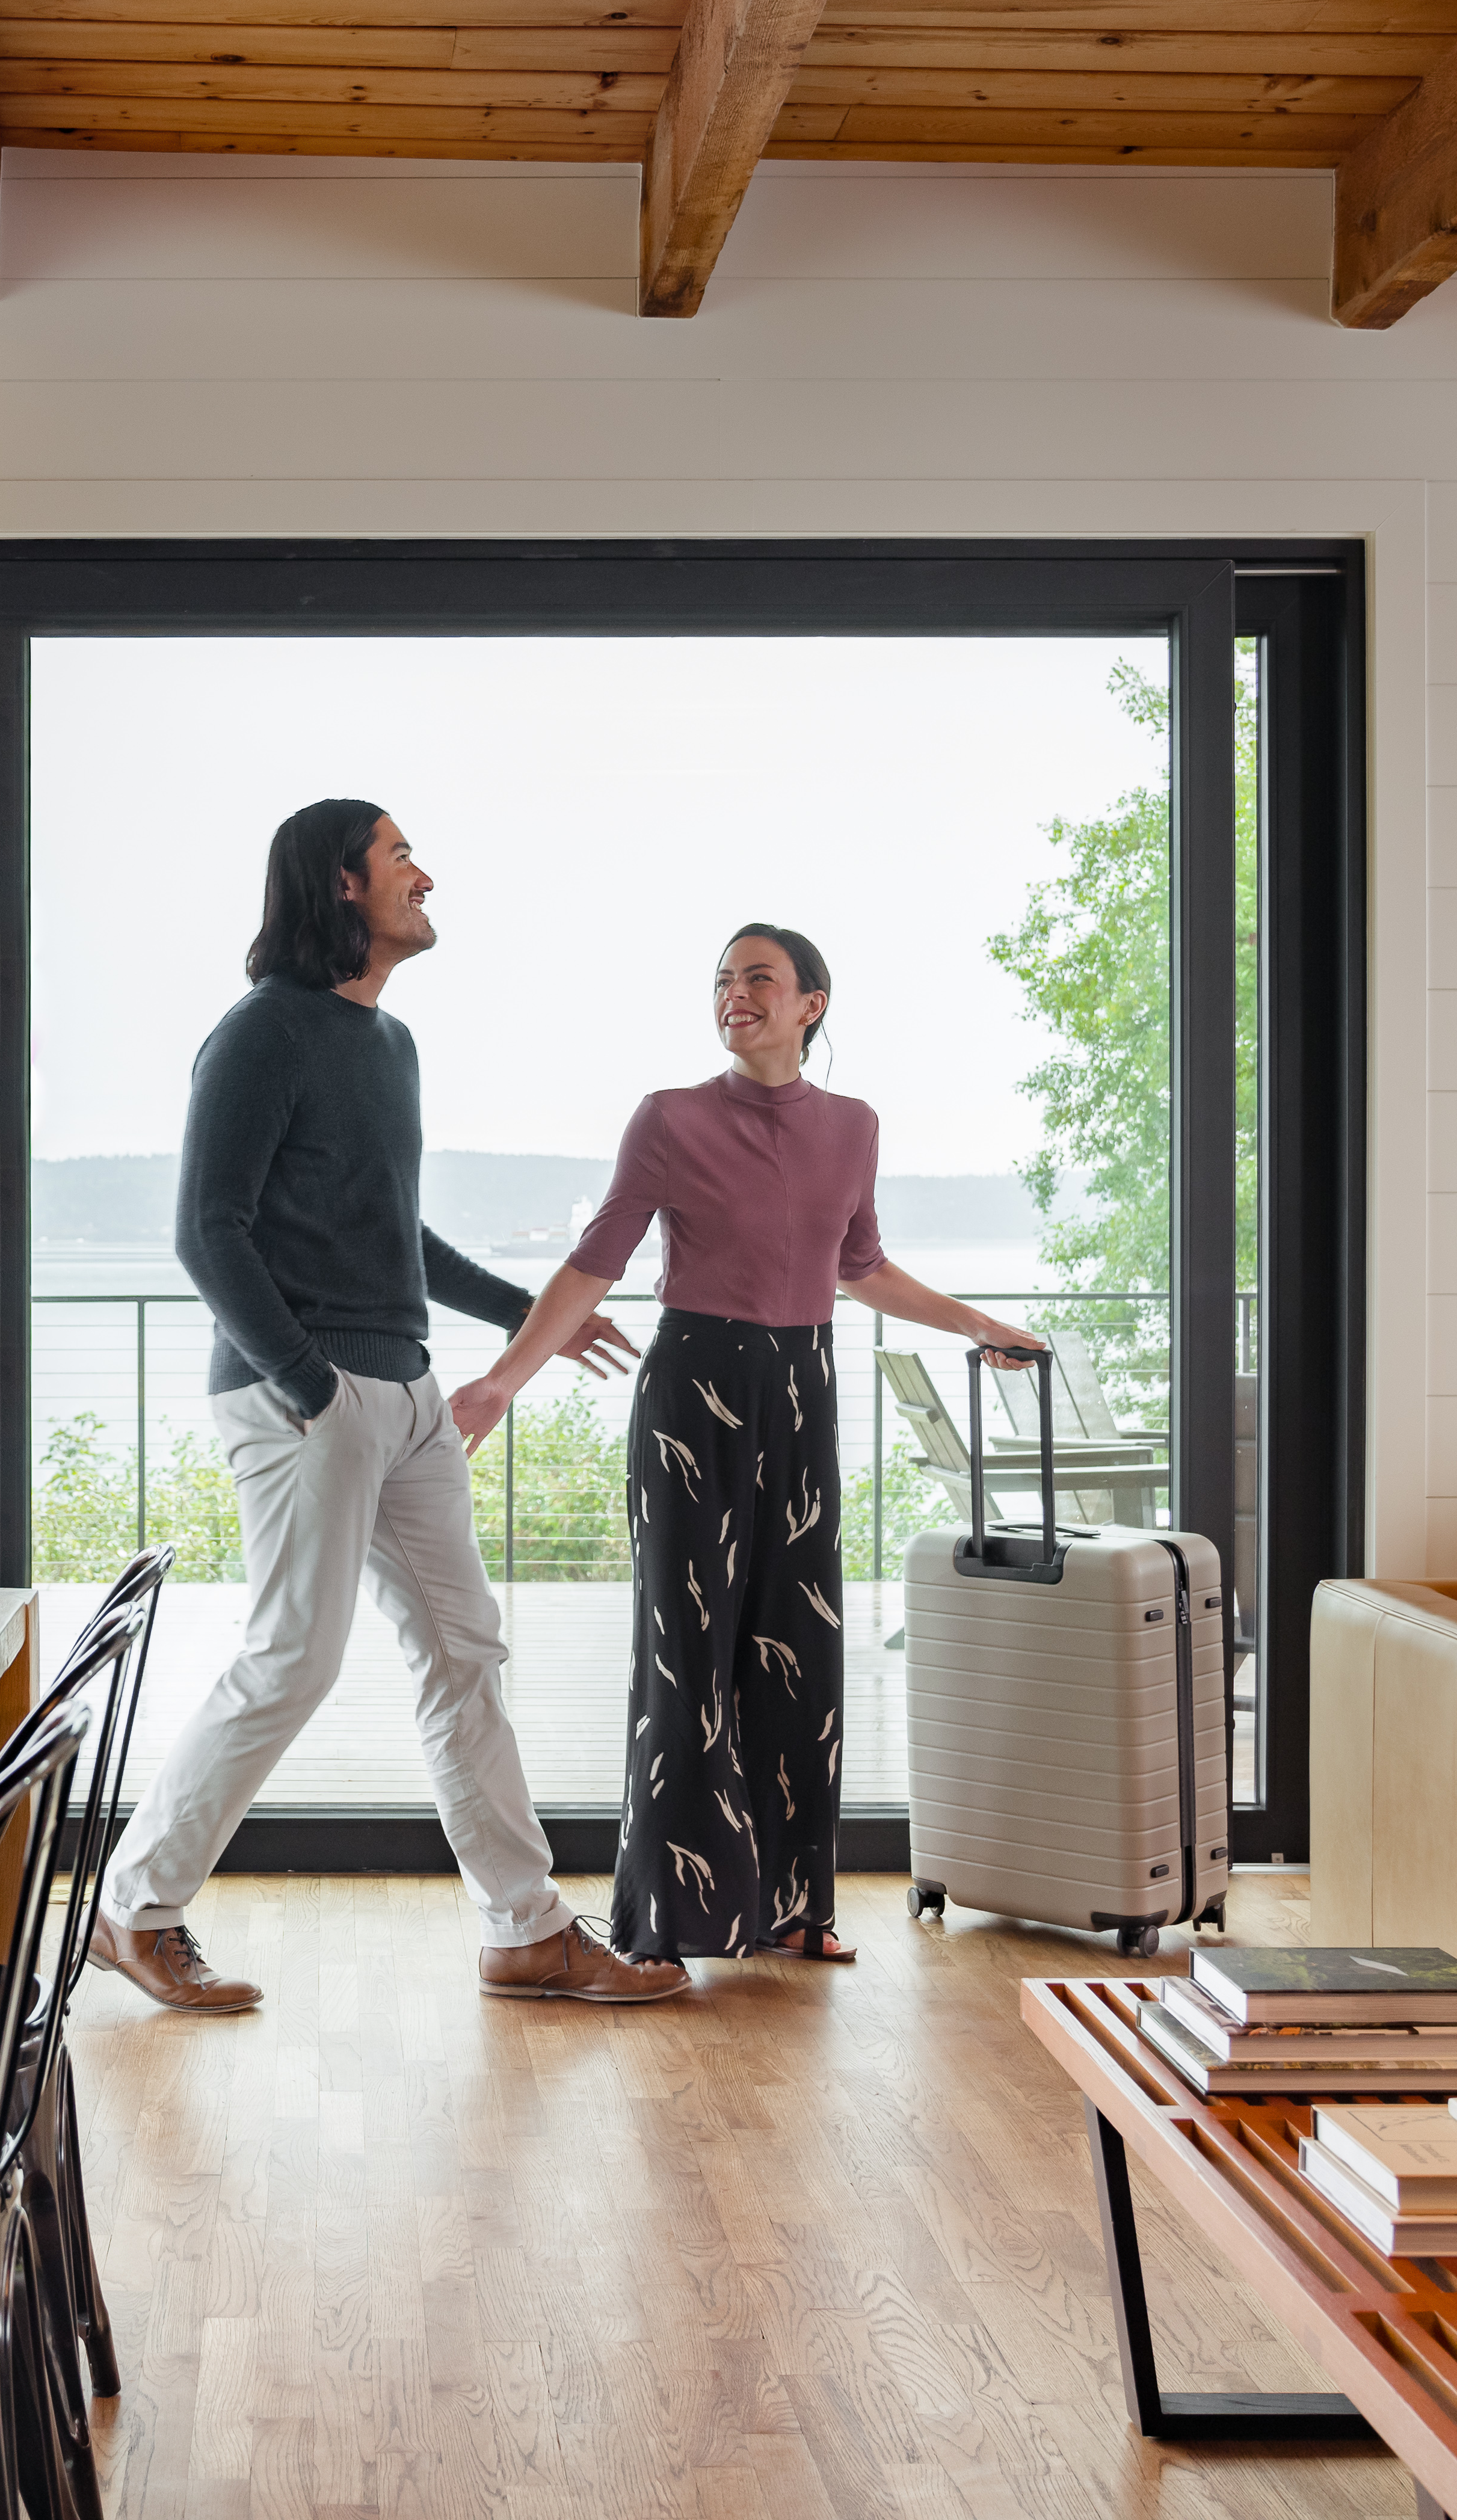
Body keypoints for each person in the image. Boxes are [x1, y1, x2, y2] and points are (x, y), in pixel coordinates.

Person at [88, 800, 692, 2013]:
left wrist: (538, 1313)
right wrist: (309, 1386)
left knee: (463, 1650)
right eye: (401, 855)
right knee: (292, 1658)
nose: (427, 874)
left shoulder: (387, 1045)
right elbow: (208, 1231)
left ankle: (524, 1928)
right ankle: (131, 1908)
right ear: (340, 884)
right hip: (304, 1395)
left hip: (406, 1393)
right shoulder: (260, 1032)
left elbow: (395, 1238)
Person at [453, 926, 1046, 1964]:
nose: (735, 994)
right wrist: (504, 1383)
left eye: (757, 978)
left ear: (811, 1002)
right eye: (723, 981)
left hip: (802, 1388)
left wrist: (974, 1323)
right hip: (695, 1389)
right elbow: (593, 1264)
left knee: (798, 1641)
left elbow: (862, 1266)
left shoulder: (854, 1126)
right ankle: (673, 1919)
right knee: (688, 1650)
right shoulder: (670, 1119)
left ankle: (792, 1908)